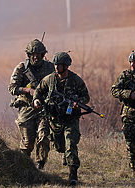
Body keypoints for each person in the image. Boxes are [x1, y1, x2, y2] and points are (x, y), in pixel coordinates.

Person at [33, 52, 90, 185]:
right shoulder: (49, 79)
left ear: (66, 66)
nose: (57, 67)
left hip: (69, 118)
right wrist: (36, 100)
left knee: (70, 144)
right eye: (55, 65)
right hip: (51, 117)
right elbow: (38, 91)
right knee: (43, 138)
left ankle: (73, 174)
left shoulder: (76, 80)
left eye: (59, 65)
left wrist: (78, 102)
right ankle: (39, 165)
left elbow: (86, 97)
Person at [8, 39, 54, 169]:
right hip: (26, 107)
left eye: (38, 54)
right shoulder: (22, 68)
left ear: (42, 54)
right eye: (33, 54)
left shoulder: (50, 68)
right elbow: (12, 88)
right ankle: (24, 166)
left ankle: (40, 165)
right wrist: (28, 90)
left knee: (44, 136)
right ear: (28, 55)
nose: (35, 57)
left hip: (43, 108)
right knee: (28, 142)